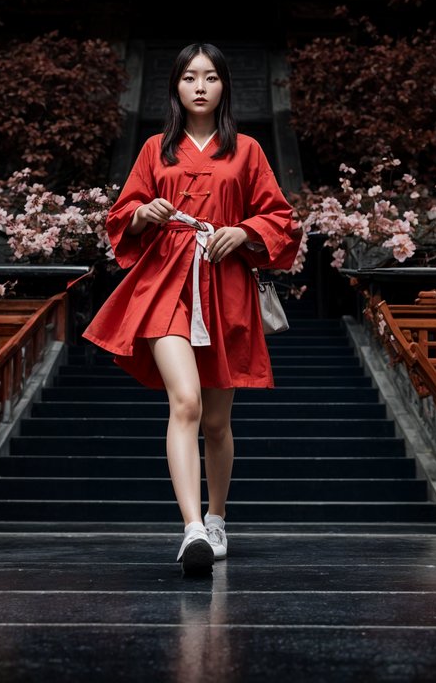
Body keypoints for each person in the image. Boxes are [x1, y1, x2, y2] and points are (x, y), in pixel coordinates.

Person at [82, 42, 301, 577]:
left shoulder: (246, 149)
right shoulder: (157, 147)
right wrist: (144, 213)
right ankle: (192, 530)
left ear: (224, 86)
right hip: (165, 281)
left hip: (224, 284)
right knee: (185, 403)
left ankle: (218, 515)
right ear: (176, 87)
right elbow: (122, 215)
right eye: (188, 77)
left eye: (209, 77)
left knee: (218, 421)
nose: (199, 86)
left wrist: (242, 231)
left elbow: (280, 217)